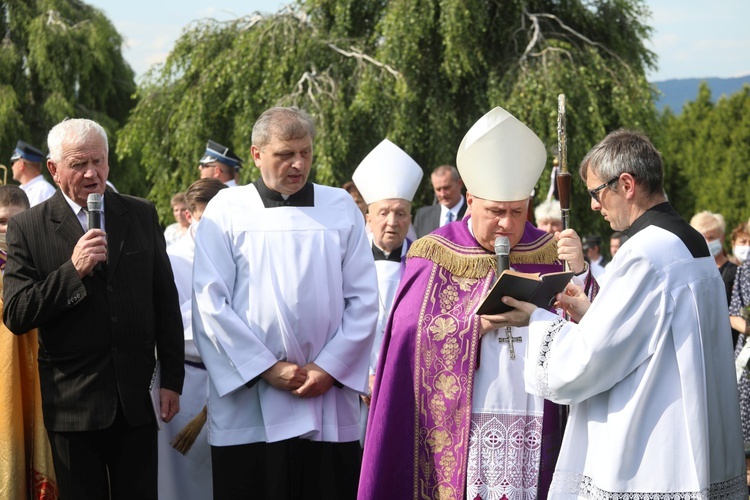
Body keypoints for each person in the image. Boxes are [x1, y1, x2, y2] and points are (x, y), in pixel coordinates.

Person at [359, 107, 594, 500]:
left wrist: (579, 271)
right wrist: (476, 325)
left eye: (516, 212)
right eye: (495, 212)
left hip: (537, 413)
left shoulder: (549, 250)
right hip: (461, 422)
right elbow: (406, 336)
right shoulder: (433, 253)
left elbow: (597, 330)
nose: (506, 224)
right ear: (470, 200)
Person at [508, 129, 745, 496]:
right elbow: (655, 334)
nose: (593, 206)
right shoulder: (690, 242)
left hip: (650, 451)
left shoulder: (643, 252)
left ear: (627, 184)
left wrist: (536, 320)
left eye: (596, 193)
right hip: (694, 438)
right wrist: (590, 312)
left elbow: (588, 360)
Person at [192, 106, 379, 500]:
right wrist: (266, 368)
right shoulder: (226, 209)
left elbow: (364, 299)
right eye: (285, 154)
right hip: (251, 398)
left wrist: (329, 368)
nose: (298, 164)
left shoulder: (340, 207)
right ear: (257, 154)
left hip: (324, 395)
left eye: (306, 153)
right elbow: (210, 302)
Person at [3, 118, 185, 499]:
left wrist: (172, 378)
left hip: (136, 402)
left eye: (99, 162)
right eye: (79, 164)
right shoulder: (29, 227)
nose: (92, 173)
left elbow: (165, 301)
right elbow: (17, 313)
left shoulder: (139, 213)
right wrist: (73, 271)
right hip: (73, 407)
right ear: (53, 169)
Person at [158, 178, 227, 500]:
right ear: (189, 216)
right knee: (182, 480)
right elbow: (166, 323)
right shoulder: (173, 259)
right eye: (206, 217)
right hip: (187, 379)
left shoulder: (238, 251)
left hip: (233, 380)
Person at [351, 138, 423, 429]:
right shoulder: (348, 263)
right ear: (369, 218)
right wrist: (363, 374)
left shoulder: (424, 265)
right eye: (383, 213)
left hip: (407, 384)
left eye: (400, 213)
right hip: (354, 386)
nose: (392, 221)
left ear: (409, 219)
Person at [0, 186, 58, 499]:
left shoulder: (42, 262)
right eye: (1, 222)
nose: (7, 230)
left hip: (40, 375)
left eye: (15, 222)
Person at [413, 164, 467, 237]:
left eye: (447, 188)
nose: (442, 194)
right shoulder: (423, 216)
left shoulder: (474, 213)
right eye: (438, 189)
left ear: (460, 183)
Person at [10, 140, 56, 206]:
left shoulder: (42, 191)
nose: (12, 167)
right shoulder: (24, 189)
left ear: (21, 165)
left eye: (13, 163)